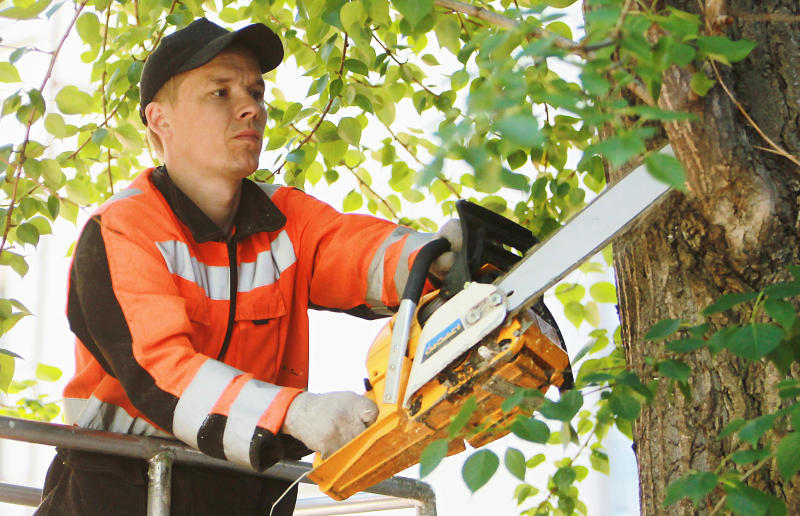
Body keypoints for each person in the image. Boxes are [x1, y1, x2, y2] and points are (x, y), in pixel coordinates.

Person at [35, 18, 459, 516]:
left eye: (256, 92)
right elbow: (165, 374)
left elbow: (359, 251)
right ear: (159, 119)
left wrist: (441, 256)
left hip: (245, 491)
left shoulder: (284, 220)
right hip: (123, 492)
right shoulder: (122, 231)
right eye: (220, 92)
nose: (251, 108)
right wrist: (296, 413)